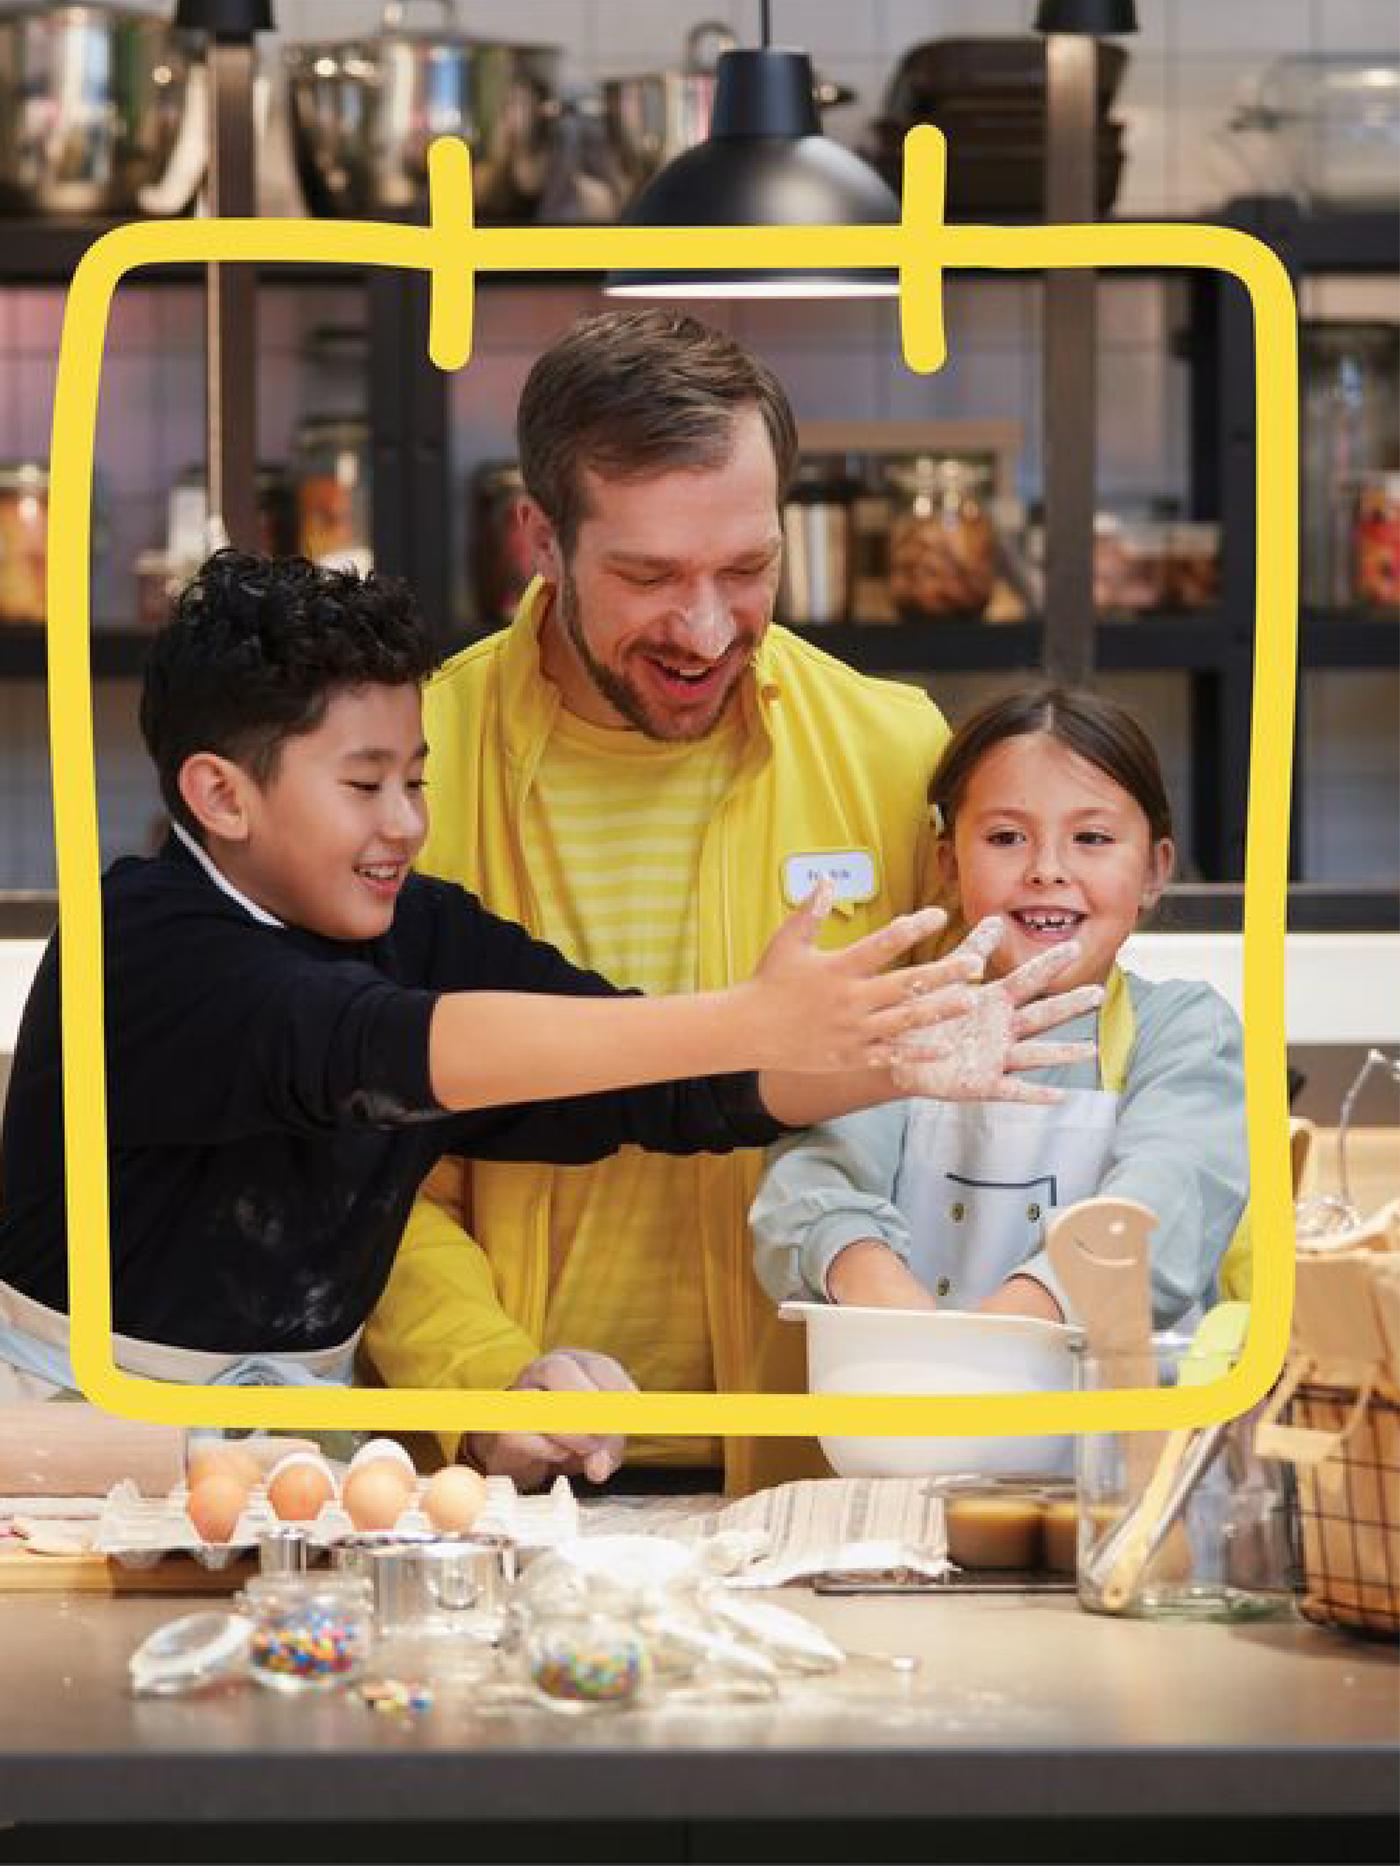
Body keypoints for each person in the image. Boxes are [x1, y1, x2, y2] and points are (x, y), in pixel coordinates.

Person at [0, 550, 1055, 1403]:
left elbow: (652, 1083)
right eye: (364, 785)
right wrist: (747, 1019)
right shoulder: (137, 942)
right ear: (221, 797)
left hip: (289, 1445)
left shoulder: (418, 927)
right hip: (77, 1439)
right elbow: (377, 1050)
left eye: (414, 779)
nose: (406, 824)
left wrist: (887, 1058)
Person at [361, 307, 978, 1494]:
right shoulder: (410, 765)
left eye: (745, 570)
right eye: (648, 576)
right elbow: (358, 1155)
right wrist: (488, 1378)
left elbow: (962, 1124)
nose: (703, 631)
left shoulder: (897, 755)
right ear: (539, 537)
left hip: (836, 1482)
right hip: (496, 1490)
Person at [750, 685, 1252, 1329]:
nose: (1047, 869)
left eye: (1092, 837)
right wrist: (888, 1302)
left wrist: (1005, 1336)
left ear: (1155, 870)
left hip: (1113, 1428)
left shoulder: (1183, 1033)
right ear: (950, 865)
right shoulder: (901, 1023)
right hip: (911, 1411)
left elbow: (1168, 1200)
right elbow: (810, 1186)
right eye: (1007, 836)